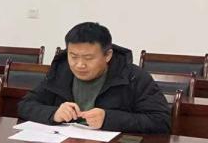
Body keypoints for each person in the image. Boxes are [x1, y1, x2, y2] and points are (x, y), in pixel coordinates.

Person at [18, 22, 170, 133]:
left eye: (88, 58)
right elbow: (25, 106)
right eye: (73, 56)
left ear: (107, 55)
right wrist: (54, 113)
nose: (79, 65)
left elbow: (161, 121)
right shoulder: (60, 72)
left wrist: (108, 119)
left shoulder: (133, 77)